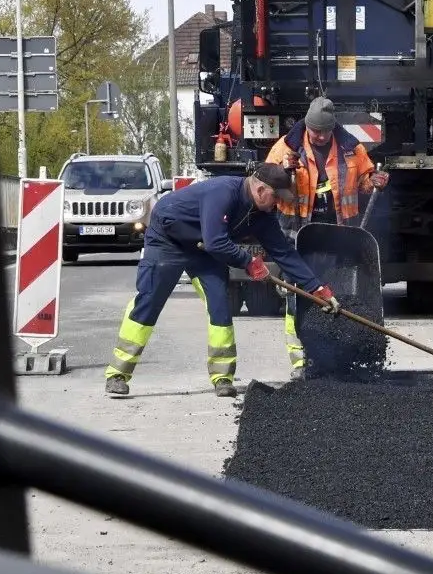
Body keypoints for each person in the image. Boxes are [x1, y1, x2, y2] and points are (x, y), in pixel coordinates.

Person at [105, 163, 340, 399]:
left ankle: (222, 377)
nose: (277, 204)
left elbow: (284, 253)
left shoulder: (262, 216)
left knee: (219, 305)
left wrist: (317, 287)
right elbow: (217, 241)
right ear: (260, 190)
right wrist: (248, 262)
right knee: (149, 301)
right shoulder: (223, 192)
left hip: (205, 248)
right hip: (169, 240)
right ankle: (117, 374)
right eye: (276, 197)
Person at [264, 96, 389, 380]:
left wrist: (375, 181)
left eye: (324, 131)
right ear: (306, 126)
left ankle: (343, 357)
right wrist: (284, 171)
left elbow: (365, 181)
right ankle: (300, 364)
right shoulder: (286, 147)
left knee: (340, 292)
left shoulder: (350, 149)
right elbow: (267, 182)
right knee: (298, 295)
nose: (319, 136)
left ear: (333, 128)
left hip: (338, 231)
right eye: (314, 131)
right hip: (299, 232)